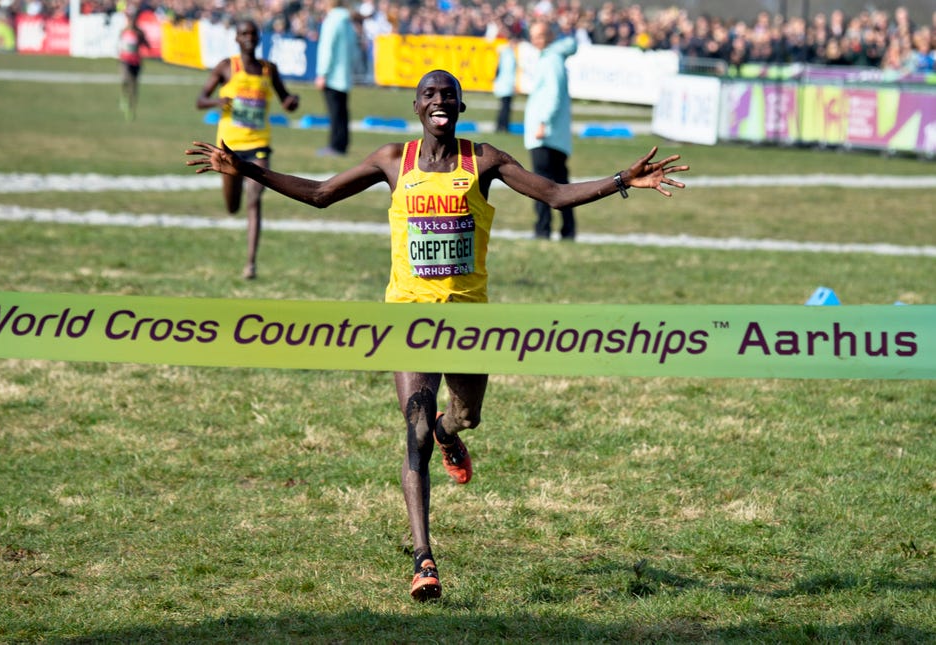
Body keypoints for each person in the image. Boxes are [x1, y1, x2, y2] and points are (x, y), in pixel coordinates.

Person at [186, 69, 688, 601]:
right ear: (417, 106)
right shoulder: (390, 161)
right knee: (415, 430)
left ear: (461, 106)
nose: (439, 101)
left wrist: (619, 181)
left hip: (470, 320)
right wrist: (246, 167)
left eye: (448, 94)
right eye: (429, 95)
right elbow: (320, 193)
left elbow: (556, 195)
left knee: (464, 416)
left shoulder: (485, 160)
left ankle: (453, 435)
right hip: (409, 318)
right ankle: (424, 558)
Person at [196, 19, 300, 280]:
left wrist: (291, 102)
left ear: (259, 38)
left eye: (253, 34)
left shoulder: (268, 70)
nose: (249, 38)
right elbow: (200, 100)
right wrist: (216, 101)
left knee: (255, 197)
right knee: (233, 206)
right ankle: (234, 205)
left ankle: (250, 264)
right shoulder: (226, 67)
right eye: (244, 34)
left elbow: (285, 99)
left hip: (259, 144)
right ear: (236, 38)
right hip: (229, 146)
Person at [524, 20, 577, 241]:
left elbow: (554, 95)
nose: (536, 40)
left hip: (546, 135)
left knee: (542, 186)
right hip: (552, 135)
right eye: (533, 35)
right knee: (559, 184)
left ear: (550, 36)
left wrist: (543, 122)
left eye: (540, 35)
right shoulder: (551, 57)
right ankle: (567, 230)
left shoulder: (551, 59)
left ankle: (543, 229)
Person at [315, 0, 357, 156]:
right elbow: (353, 48)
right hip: (344, 74)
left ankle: (335, 146)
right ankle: (342, 144)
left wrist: (322, 73)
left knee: (334, 112)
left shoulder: (331, 21)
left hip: (332, 75)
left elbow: (327, 48)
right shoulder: (347, 22)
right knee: (342, 111)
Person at [118, 6, 149, 122]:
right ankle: (123, 97)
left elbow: (146, 44)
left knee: (134, 87)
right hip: (124, 61)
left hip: (136, 62)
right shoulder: (123, 31)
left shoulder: (139, 32)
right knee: (124, 80)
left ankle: (131, 109)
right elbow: (120, 44)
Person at [492, 26, 519, 134]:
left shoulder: (505, 52)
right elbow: (508, 71)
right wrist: (513, 84)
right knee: (505, 107)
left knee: (504, 107)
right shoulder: (508, 54)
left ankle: (501, 126)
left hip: (504, 84)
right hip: (506, 85)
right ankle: (503, 126)